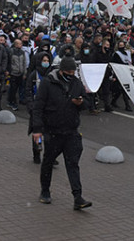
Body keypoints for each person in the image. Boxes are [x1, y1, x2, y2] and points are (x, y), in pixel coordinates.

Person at [31, 56, 92, 211]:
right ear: (61, 71)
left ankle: (78, 197)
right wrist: (37, 129)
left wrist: (81, 103)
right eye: (68, 72)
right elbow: (38, 106)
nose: (71, 74)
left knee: (73, 164)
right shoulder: (48, 83)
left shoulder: (76, 83)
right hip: (53, 131)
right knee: (48, 162)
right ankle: (45, 190)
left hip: (71, 131)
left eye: (73, 72)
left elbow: (86, 102)